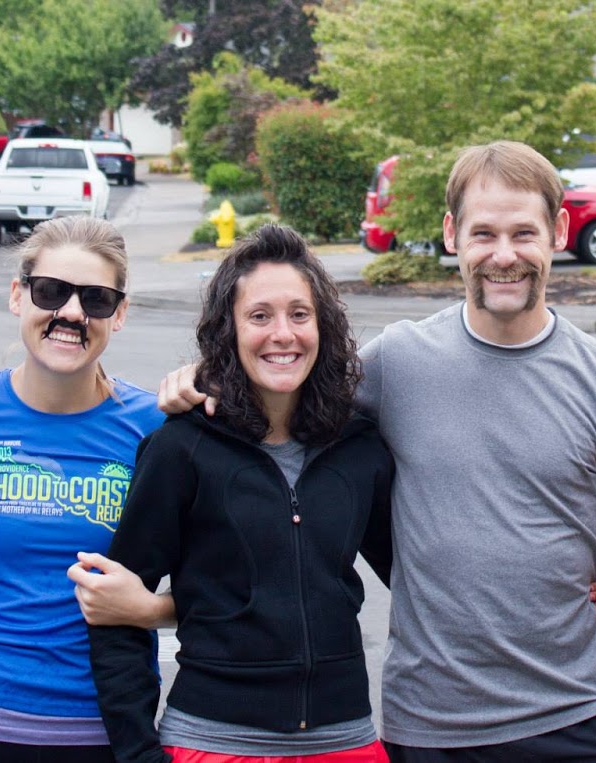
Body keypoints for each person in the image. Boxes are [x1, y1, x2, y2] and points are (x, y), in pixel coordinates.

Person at [152, 141, 596, 762]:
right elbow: (286, 378)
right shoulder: (397, 362)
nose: (504, 255)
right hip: (428, 725)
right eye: (484, 234)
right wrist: (202, 375)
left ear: (558, 231)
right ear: (452, 235)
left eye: (524, 233)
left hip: (573, 717)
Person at [84, 222, 393, 762]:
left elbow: (418, 575)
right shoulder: (182, 448)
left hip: (346, 741)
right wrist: (139, 755)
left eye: (300, 314)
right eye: (260, 316)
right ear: (229, 330)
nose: (283, 334)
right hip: (212, 742)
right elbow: (115, 613)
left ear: (323, 325)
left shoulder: (358, 447)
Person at [0, 215, 166, 760]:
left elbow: (225, 585)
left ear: (119, 313)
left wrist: (151, 610)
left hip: (106, 731)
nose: (72, 312)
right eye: (51, 291)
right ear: (18, 296)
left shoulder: (156, 428)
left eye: (96, 299)